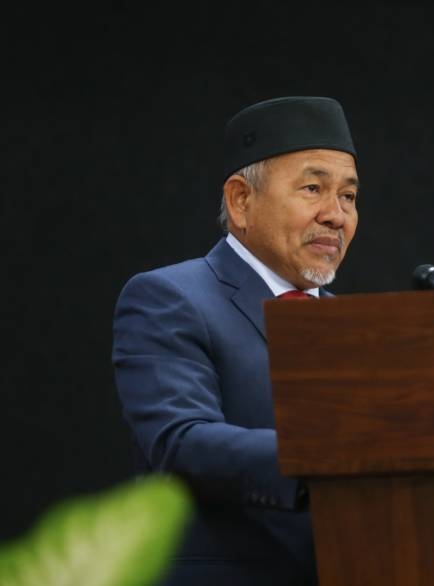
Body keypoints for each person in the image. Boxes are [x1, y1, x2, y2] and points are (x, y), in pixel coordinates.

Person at [112, 96, 360, 586]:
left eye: (349, 197)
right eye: (313, 188)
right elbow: (181, 441)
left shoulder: (354, 325)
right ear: (241, 200)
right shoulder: (169, 297)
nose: (336, 215)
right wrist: (325, 455)